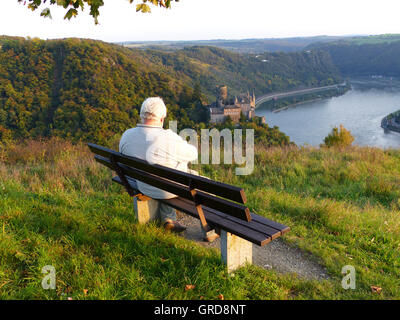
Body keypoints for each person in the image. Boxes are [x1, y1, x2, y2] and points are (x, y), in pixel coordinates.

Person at [119, 97, 198, 233]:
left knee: (164, 173)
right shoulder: (167, 137)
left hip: (142, 185)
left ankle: (169, 219)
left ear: (141, 115)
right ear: (162, 118)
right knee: (200, 182)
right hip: (167, 189)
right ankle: (211, 230)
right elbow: (193, 154)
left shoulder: (127, 135)